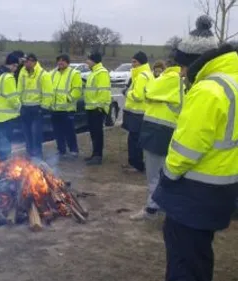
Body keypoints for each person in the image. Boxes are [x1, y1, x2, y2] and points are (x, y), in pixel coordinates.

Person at [152, 15, 238, 281]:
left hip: (194, 194)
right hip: (223, 189)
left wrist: (167, 174)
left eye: (181, 65)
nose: (180, 72)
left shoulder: (208, 90)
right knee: (200, 256)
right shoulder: (232, 82)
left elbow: (187, 148)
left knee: (183, 261)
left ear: (193, 61)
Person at [130, 51, 184, 221]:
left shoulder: (170, 78)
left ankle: (152, 209)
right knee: (165, 172)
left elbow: (147, 92)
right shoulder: (181, 81)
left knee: (154, 174)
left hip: (157, 130)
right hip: (169, 130)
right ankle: (164, 206)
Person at [121, 51, 154, 172]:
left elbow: (138, 95)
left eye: (134, 61)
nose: (132, 64)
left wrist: (126, 93)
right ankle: (135, 163)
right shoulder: (147, 74)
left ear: (141, 62)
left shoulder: (142, 76)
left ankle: (136, 165)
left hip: (137, 113)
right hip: (141, 112)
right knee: (135, 139)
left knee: (134, 140)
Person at [17, 53, 53, 160]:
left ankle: (37, 155)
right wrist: (19, 106)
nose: (25, 63)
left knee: (36, 133)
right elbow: (19, 90)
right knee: (27, 134)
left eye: (27, 61)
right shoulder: (22, 73)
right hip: (25, 108)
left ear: (33, 62)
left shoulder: (43, 74)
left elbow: (48, 93)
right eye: (24, 61)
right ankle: (29, 154)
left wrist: (43, 108)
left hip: (37, 109)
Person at [0, 53, 21, 161]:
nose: (16, 69)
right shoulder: (8, 78)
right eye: (16, 66)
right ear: (13, 65)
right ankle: (5, 164)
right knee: (6, 141)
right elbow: (12, 98)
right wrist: (18, 106)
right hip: (6, 116)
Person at [50, 54, 83, 158]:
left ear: (67, 63)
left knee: (69, 131)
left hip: (67, 109)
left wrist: (68, 98)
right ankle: (61, 150)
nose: (60, 62)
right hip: (54, 108)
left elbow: (77, 90)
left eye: (63, 61)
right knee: (57, 132)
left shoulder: (74, 73)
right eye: (59, 61)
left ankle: (73, 150)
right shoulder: (52, 73)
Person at [83, 52, 111, 165]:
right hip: (91, 107)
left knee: (98, 133)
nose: (86, 62)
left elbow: (103, 91)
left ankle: (98, 156)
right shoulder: (93, 72)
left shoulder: (102, 72)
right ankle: (94, 154)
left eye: (88, 60)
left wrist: (100, 107)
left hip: (97, 109)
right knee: (93, 133)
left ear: (94, 60)